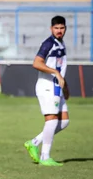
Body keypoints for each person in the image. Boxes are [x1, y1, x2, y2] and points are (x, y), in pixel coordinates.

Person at [23, 16, 69, 167]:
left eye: (62, 28)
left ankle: (34, 142)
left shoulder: (61, 44)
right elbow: (36, 63)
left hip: (57, 87)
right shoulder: (48, 43)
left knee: (64, 121)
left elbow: (60, 67)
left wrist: (65, 86)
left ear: (65, 29)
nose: (59, 31)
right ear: (51, 29)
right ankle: (45, 156)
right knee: (52, 120)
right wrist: (55, 73)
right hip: (47, 86)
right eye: (56, 28)